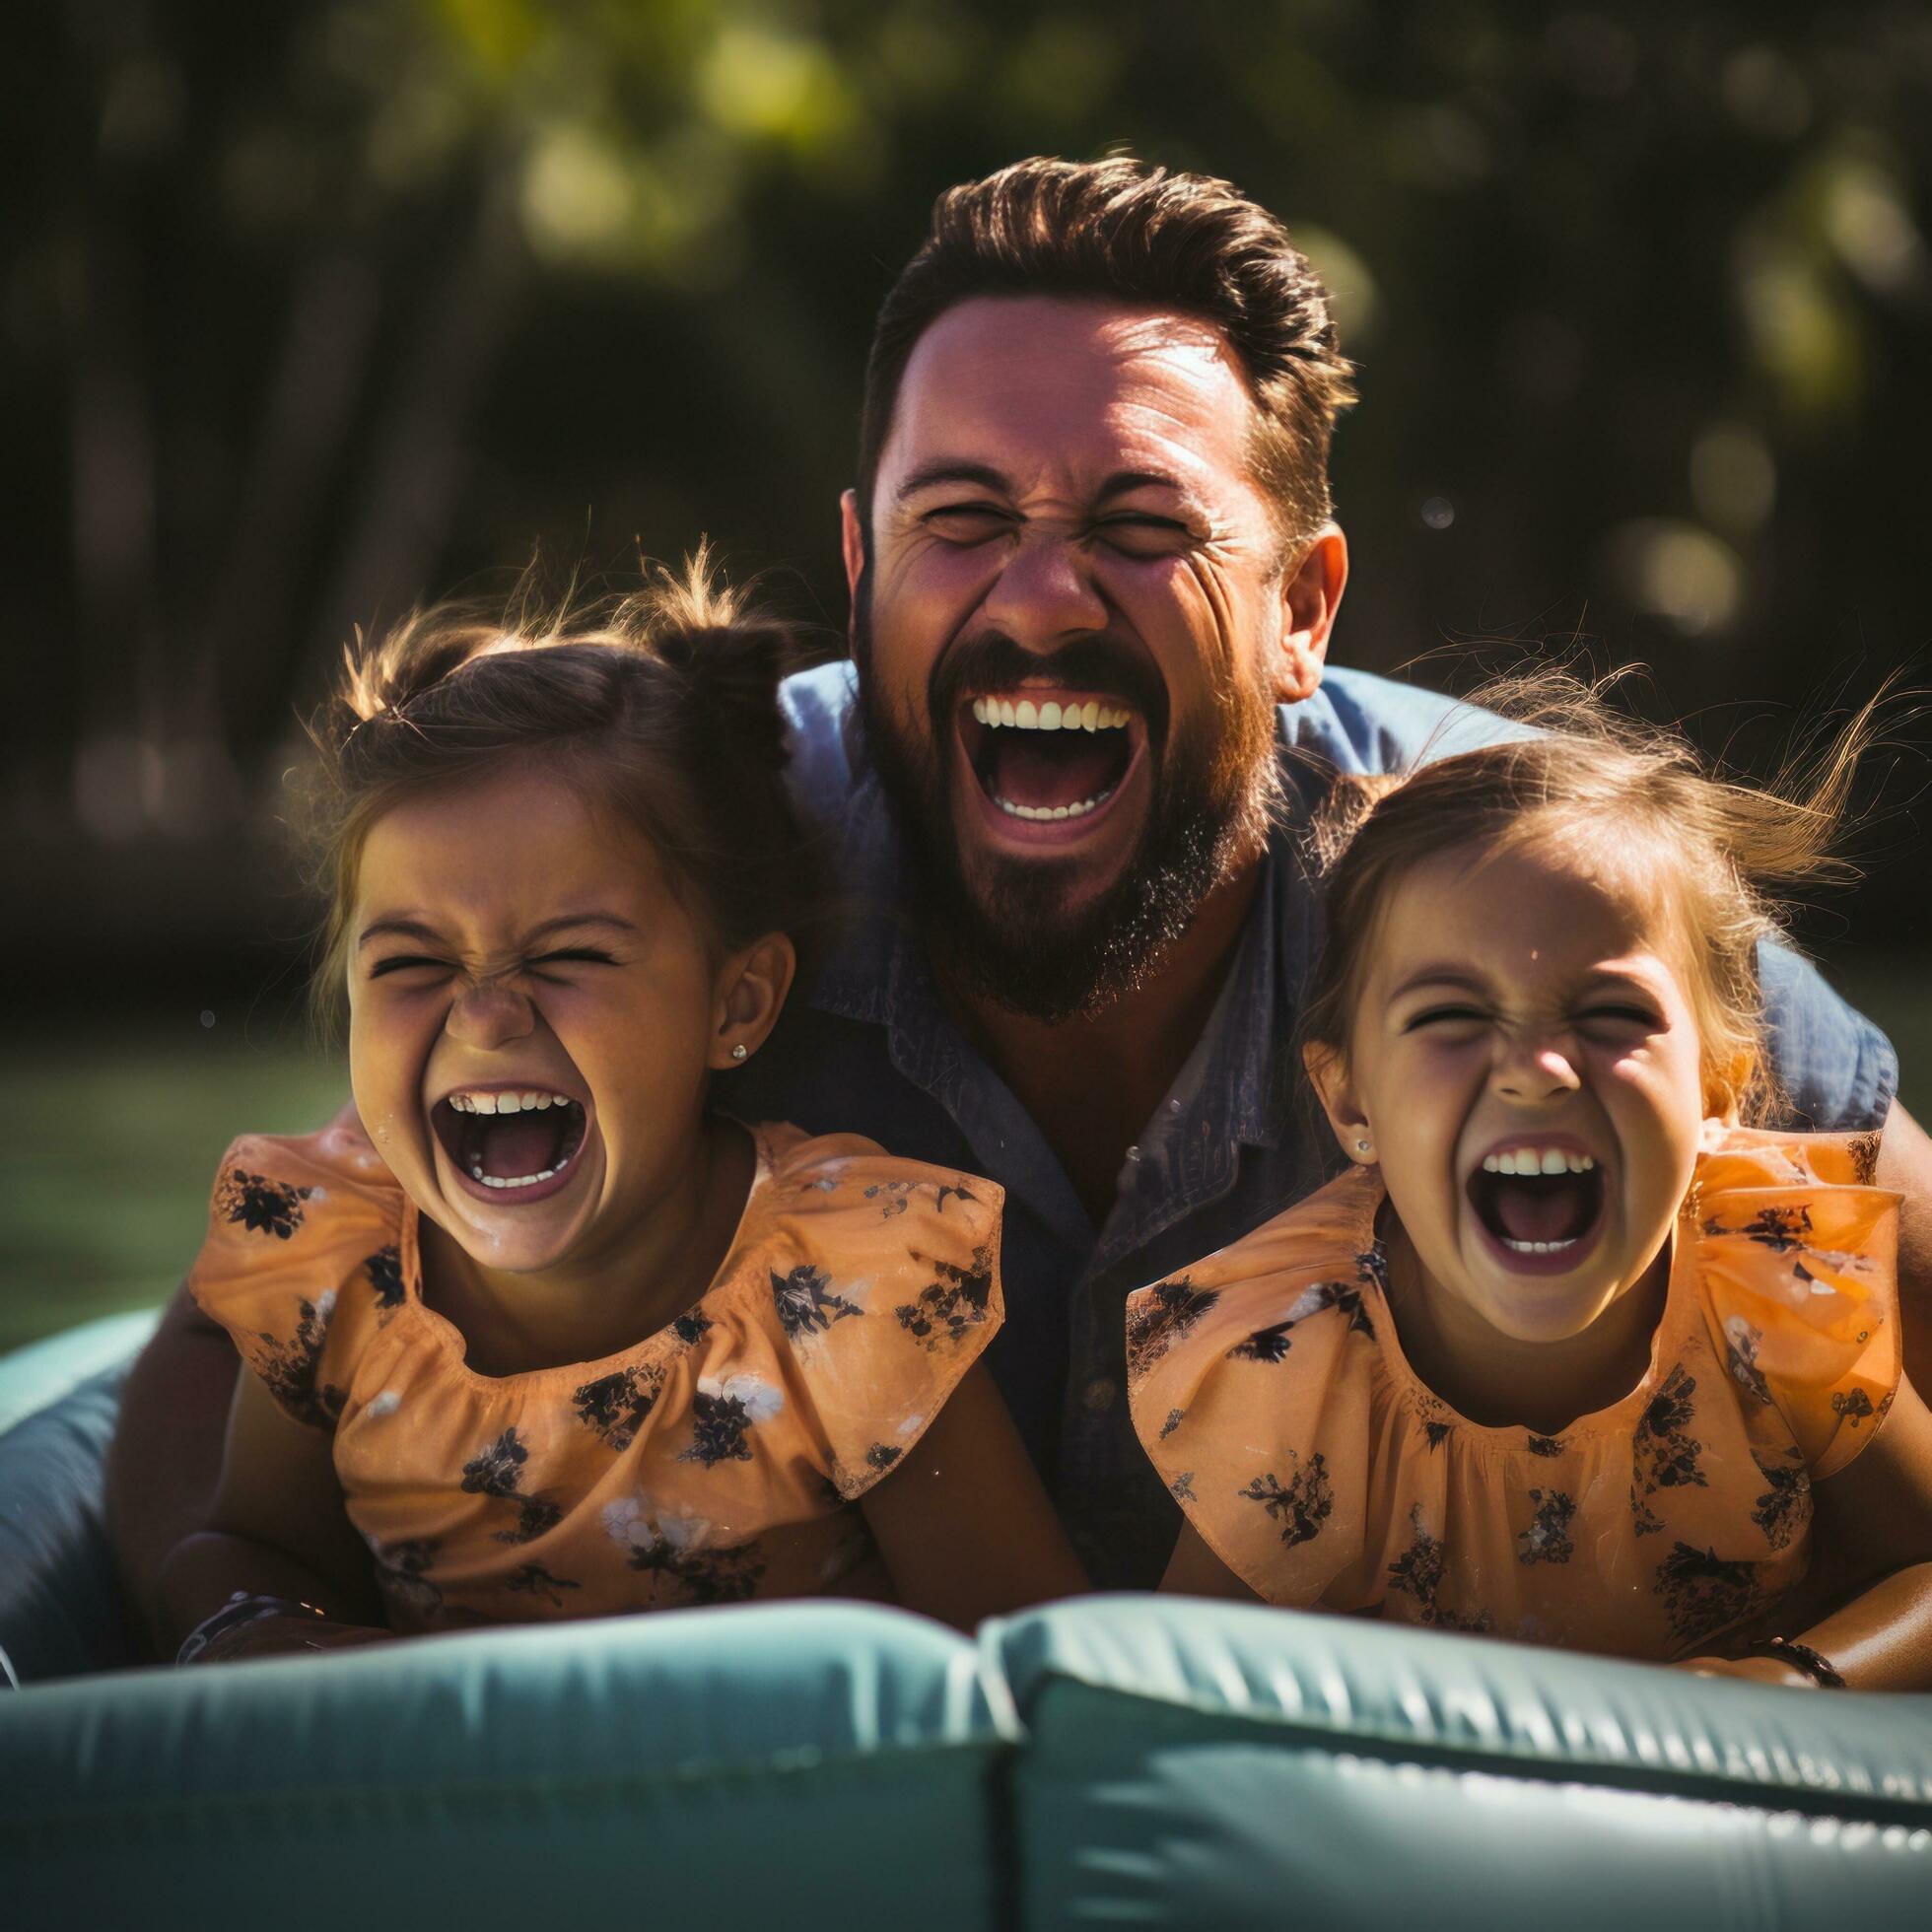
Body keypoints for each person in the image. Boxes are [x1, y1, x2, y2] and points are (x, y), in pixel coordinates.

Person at [110, 156, 1931, 1636]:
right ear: (859, 559)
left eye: (1142, 529)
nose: (1044, 602)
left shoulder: (1520, 901)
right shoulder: (680, 864)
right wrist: (224, 1618)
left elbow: (1882, 1234)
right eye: (963, 520)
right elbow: (255, 1330)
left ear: (1303, 611)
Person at [160, 565, 1081, 1664]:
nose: (488, 1016)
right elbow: (247, 1545)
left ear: (735, 1003)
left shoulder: (849, 1290)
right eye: (411, 963)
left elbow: (1022, 1649)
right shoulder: (336, 1263)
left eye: (570, 955)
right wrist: (259, 1628)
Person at [1130, 687, 1932, 1685]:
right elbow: (1172, 1691)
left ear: (1721, 1084)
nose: (1537, 1069)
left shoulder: (1771, 1289)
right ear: (1351, 1103)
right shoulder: (1299, 1369)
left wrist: (1793, 1684)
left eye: (1606, 1012)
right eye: (1450, 1016)